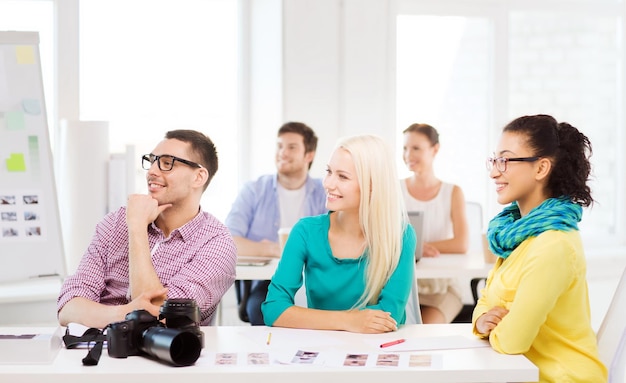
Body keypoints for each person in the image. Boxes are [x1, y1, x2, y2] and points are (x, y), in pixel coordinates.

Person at [473, 114, 607, 382]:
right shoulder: (514, 235)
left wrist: (496, 328)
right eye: (494, 159)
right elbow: (485, 303)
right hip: (523, 373)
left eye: (505, 160)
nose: (494, 171)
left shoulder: (553, 244)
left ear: (541, 168)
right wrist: (481, 322)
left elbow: (512, 341)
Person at [57, 130, 237, 328]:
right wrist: (125, 312)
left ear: (198, 177)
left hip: (164, 354)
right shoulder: (115, 222)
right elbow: (68, 307)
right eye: (152, 161)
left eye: (167, 163)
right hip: (99, 350)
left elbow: (160, 318)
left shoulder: (216, 243)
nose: (152, 171)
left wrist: (137, 229)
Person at [261, 134, 416, 333]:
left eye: (342, 176)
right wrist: (349, 321)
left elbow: (388, 315)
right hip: (324, 352)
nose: (328, 183)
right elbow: (273, 309)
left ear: (372, 186)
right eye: (329, 172)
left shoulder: (401, 235)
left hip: (379, 350)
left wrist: (319, 319)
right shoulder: (305, 232)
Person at [225, 122, 326, 325]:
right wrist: (274, 249)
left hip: (315, 280)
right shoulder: (254, 190)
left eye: (291, 147)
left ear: (309, 155)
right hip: (268, 283)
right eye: (279, 146)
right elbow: (227, 241)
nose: (282, 153)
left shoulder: (326, 192)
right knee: (261, 309)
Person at [401, 123, 469, 324]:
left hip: (442, 288)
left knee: (423, 331)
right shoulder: (395, 190)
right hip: (405, 284)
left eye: (416, 148)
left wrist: (419, 248)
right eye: (405, 148)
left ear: (435, 149)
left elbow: (461, 244)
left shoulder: (453, 192)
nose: (408, 155)